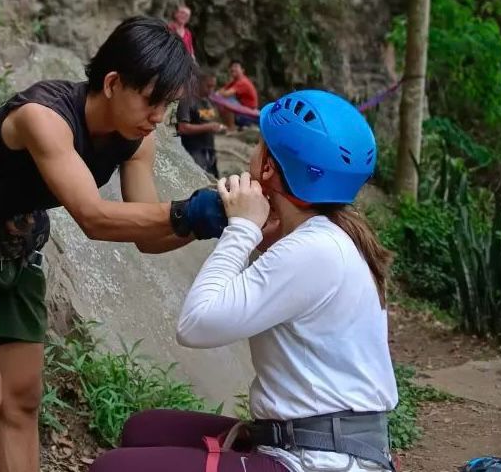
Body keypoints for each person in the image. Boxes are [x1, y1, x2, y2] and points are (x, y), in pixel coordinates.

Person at [0, 16, 232, 472]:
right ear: (114, 82)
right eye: (152, 101)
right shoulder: (43, 117)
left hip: (17, 238)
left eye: (168, 105)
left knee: (22, 397)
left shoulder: (137, 140)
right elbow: (93, 217)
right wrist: (188, 211)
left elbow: (144, 238)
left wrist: (209, 223)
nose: (159, 117)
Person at [90, 89, 398, 472]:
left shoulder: (313, 251)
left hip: (319, 460)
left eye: (259, 144)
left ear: (268, 165)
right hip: (310, 439)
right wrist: (250, 232)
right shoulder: (325, 235)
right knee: (144, 429)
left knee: (112, 470)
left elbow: (196, 324)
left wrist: (242, 230)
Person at [176, 72, 226, 177]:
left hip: (209, 148)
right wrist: (209, 127)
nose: (211, 90)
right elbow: (183, 128)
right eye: (208, 86)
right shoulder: (187, 101)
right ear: (198, 83)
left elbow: (209, 120)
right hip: (193, 149)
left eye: (213, 87)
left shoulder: (208, 101)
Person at [218, 59, 259, 131]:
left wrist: (220, 94)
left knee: (226, 101)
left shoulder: (243, 82)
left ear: (243, 70)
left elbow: (225, 94)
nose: (233, 69)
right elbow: (219, 92)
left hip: (250, 115)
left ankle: (231, 127)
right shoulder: (234, 81)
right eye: (231, 67)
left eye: (236, 67)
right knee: (220, 100)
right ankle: (228, 125)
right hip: (243, 111)